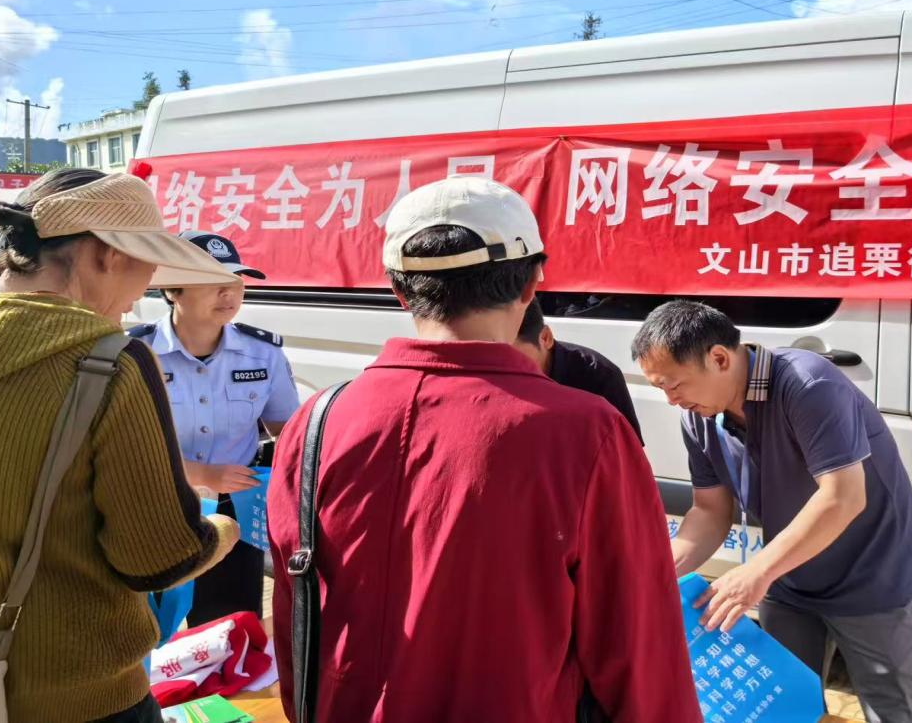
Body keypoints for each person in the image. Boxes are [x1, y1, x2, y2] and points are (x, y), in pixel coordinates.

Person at [267, 177, 701, 723]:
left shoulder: (315, 421)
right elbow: (640, 651)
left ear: (399, 291)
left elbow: (295, 619)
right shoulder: (587, 433)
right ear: (531, 286)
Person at [0, 169, 240, 723]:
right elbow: (157, 558)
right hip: (83, 695)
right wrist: (221, 532)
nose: (142, 294)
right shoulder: (109, 361)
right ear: (108, 254)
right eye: (147, 268)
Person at [632, 300, 912, 723]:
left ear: (719, 358)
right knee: (783, 708)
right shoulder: (699, 416)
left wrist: (756, 572)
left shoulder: (807, 385)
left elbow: (843, 497)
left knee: (894, 712)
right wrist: (654, 576)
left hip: (873, 576)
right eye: (660, 389)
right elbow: (709, 510)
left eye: (674, 385)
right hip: (790, 576)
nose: (670, 400)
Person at [129, 230, 300, 626]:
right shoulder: (136, 354)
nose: (229, 293)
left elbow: (289, 431)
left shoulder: (263, 354)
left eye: (235, 281)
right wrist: (200, 474)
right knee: (151, 628)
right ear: (173, 290)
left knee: (231, 629)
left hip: (234, 513)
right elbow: (122, 446)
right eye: (212, 281)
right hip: (155, 507)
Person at [513, 299, 643, 442]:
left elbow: (628, 447)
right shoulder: (498, 376)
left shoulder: (599, 375)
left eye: (515, 359)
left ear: (546, 338)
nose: (506, 367)